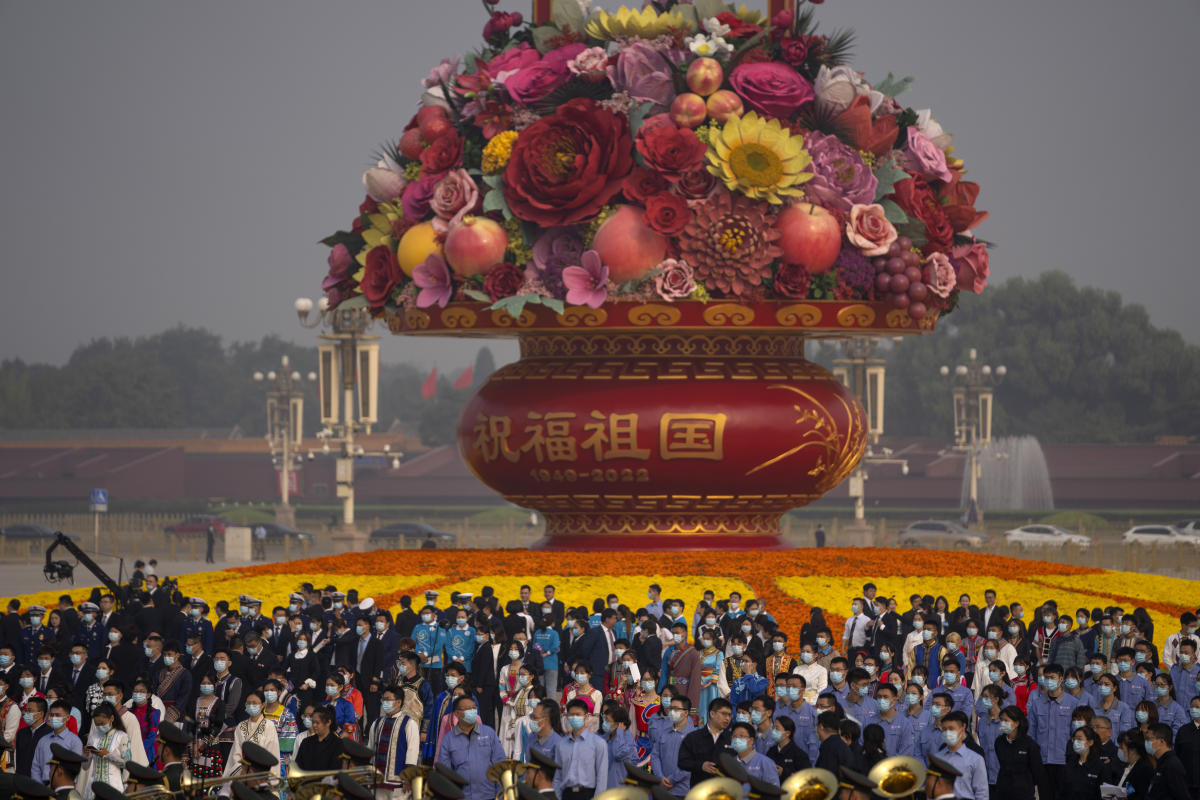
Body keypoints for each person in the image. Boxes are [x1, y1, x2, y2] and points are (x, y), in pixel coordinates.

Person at [437, 696, 506, 800]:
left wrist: (500, 795)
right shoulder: (448, 739)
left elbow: (501, 764)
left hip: (488, 795)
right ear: (457, 713)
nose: (472, 711)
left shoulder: (489, 733)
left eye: (474, 708)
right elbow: (445, 773)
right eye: (468, 709)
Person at [367, 685, 419, 799]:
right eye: (383, 699)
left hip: (398, 783)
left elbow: (412, 752)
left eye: (388, 700)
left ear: (399, 702)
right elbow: (370, 750)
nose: (384, 702)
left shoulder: (409, 724)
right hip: (378, 781)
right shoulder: (377, 723)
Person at [554, 698, 608, 800]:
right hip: (566, 794)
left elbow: (602, 777)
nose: (574, 717)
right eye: (571, 715)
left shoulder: (598, 743)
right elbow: (557, 776)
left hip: (588, 794)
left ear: (586, 716)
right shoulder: (561, 745)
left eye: (578, 715)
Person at [679, 697, 733, 790]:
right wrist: (701, 766)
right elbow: (682, 762)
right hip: (699, 791)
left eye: (729, 715)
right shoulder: (694, 737)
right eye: (724, 714)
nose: (727, 718)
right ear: (712, 713)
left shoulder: (733, 739)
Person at [931, 711, 988, 800]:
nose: (947, 732)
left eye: (951, 729)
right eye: (944, 729)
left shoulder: (976, 758)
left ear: (962, 728)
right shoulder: (937, 758)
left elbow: (981, 792)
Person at [650, 694, 693, 798]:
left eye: (676, 709)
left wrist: (672, 779)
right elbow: (655, 756)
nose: (672, 712)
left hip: (682, 791)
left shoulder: (693, 736)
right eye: (671, 708)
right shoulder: (663, 732)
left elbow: (690, 764)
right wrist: (661, 777)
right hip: (661, 788)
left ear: (686, 712)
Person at [31, 701, 81, 782]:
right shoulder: (43, 740)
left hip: (63, 788)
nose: (53, 718)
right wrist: (39, 787)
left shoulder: (75, 742)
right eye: (51, 715)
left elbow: (75, 770)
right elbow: (35, 766)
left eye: (57, 715)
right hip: (42, 788)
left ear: (67, 718)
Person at [1145, 722, 1190, 800]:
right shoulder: (1161, 762)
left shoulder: (1172, 765)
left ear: (1162, 741)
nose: (1146, 742)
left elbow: (1182, 796)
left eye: (1149, 739)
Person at [1059, 725, 1104, 800]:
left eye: (1079, 739)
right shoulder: (1069, 765)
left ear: (1090, 742)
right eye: (1074, 739)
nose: (1076, 742)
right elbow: (1061, 791)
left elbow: (1102, 794)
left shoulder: (1100, 767)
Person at [766, 715, 810, 782]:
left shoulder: (799, 754)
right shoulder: (771, 751)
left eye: (777, 728)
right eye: (773, 728)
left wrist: (784, 773)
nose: (773, 731)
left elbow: (805, 778)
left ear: (787, 733)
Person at [602, 707, 637, 790]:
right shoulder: (607, 736)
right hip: (604, 785)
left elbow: (618, 754)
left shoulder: (627, 737)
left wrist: (620, 733)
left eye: (607, 720)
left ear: (618, 724)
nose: (604, 723)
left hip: (618, 786)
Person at [1114, 729, 1154, 800]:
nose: (1119, 750)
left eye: (1121, 747)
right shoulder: (1124, 765)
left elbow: (1140, 795)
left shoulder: (1144, 769)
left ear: (1132, 750)